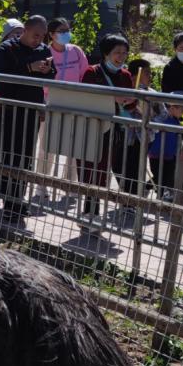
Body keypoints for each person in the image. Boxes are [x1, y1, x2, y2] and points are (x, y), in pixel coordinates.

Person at [0, 13, 54, 224]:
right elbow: (2, 77)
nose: (39, 40)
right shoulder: (5, 49)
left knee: (25, 157)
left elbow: (51, 75)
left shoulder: (43, 50)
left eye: (42, 36)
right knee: (8, 155)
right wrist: (29, 68)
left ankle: (18, 201)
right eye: (35, 35)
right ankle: (9, 201)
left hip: (32, 109)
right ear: (25, 30)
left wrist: (46, 70)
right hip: (10, 109)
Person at [77, 34, 139, 227]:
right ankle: (89, 211)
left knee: (104, 171)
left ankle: (93, 211)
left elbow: (130, 104)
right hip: (92, 127)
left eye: (124, 53)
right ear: (105, 54)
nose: (121, 57)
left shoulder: (126, 75)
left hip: (115, 129)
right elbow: (86, 98)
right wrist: (112, 99)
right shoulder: (91, 72)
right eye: (116, 53)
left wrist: (130, 102)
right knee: (89, 169)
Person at [48, 18, 90, 83]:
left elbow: (85, 74)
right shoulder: (45, 52)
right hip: (52, 92)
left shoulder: (76, 50)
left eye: (67, 30)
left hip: (75, 92)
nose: (66, 33)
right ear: (51, 34)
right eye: (61, 31)